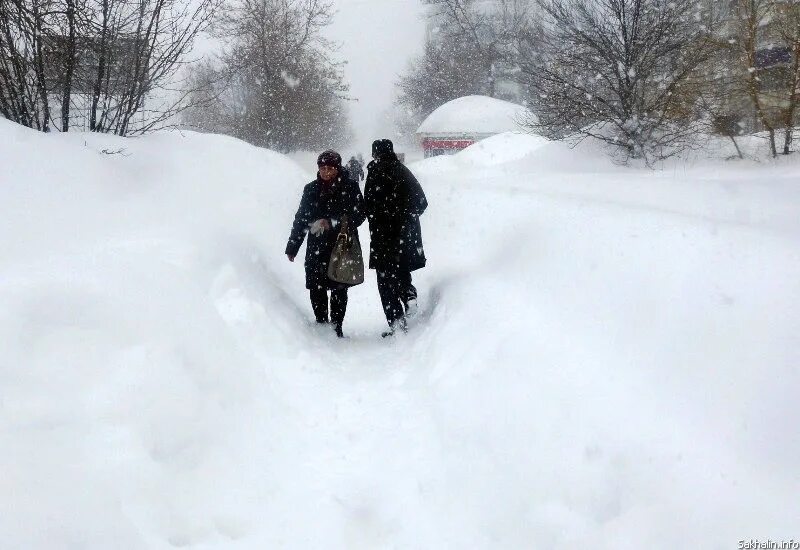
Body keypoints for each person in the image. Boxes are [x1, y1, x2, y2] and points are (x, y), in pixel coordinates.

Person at [285, 150, 365, 338]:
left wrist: (332, 222)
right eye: (322, 168)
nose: (326, 172)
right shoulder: (311, 189)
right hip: (316, 246)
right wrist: (293, 246)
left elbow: (360, 214)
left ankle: (336, 328)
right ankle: (321, 325)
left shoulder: (351, 187)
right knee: (316, 286)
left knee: (339, 286)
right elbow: (301, 219)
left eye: (330, 168)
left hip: (341, 245)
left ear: (337, 168)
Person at [364, 139, 428, 337]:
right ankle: (409, 294)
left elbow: (368, 205)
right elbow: (422, 202)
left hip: (383, 238)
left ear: (375, 153)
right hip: (405, 237)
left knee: (385, 283)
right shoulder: (403, 171)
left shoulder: (375, 172)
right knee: (401, 272)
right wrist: (405, 217)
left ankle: (398, 326)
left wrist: (382, 217)